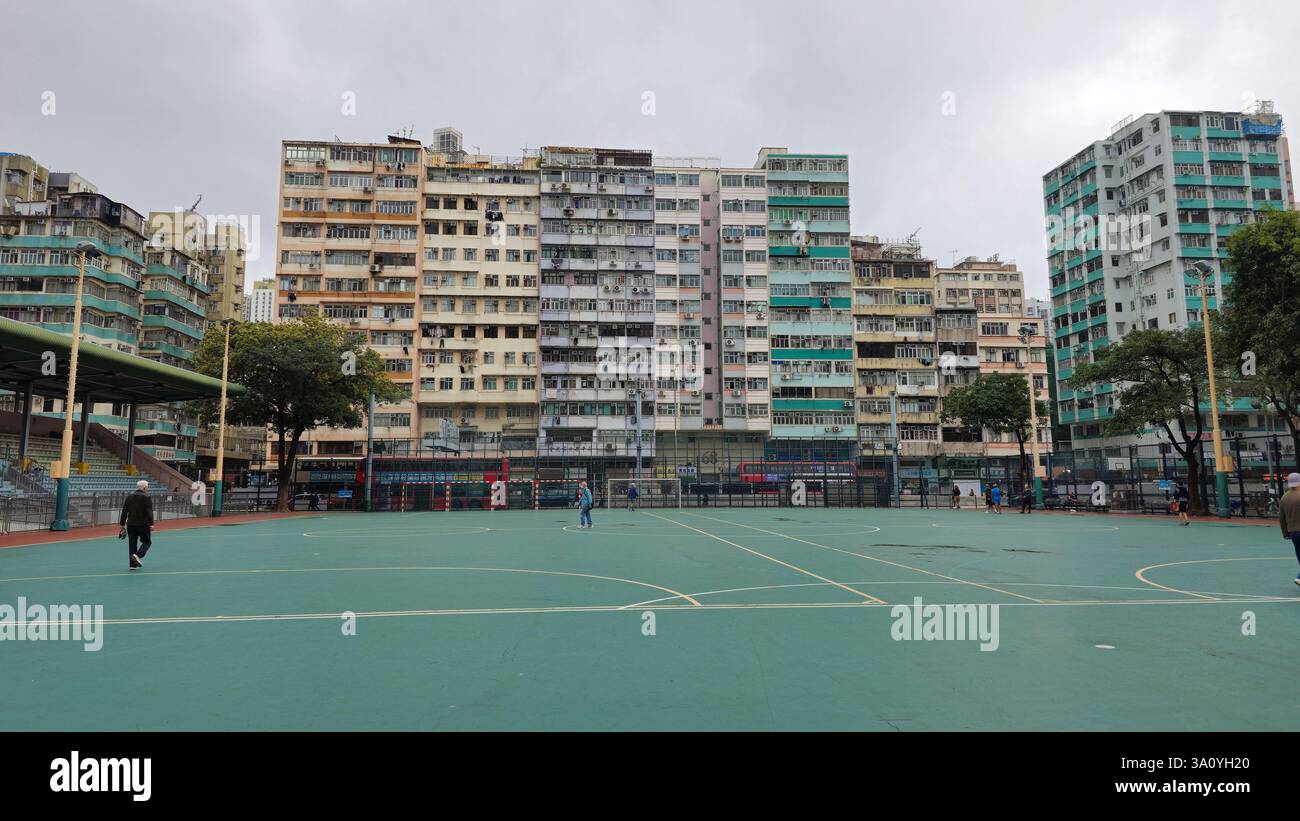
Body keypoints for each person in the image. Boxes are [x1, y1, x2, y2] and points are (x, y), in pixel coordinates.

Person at [119, 479, 154, 570]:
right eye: (147, 487)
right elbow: (149, 512)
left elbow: (124, 512)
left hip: (131, 524)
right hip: (143, 524)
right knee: (147, 542)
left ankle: (132, 565)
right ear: (144, 487)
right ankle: (138, 555)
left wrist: (122, 524)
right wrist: (151, 523)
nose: (148, 488)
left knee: (132, 544)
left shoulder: (129, 497)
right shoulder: (147, 497)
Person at [1278, 472, 1300, 587]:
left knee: (1299, 554)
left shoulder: (1284, 497)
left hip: (1293, 532)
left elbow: (1282, 518)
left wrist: (1285, 533)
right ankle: (1299, 577)